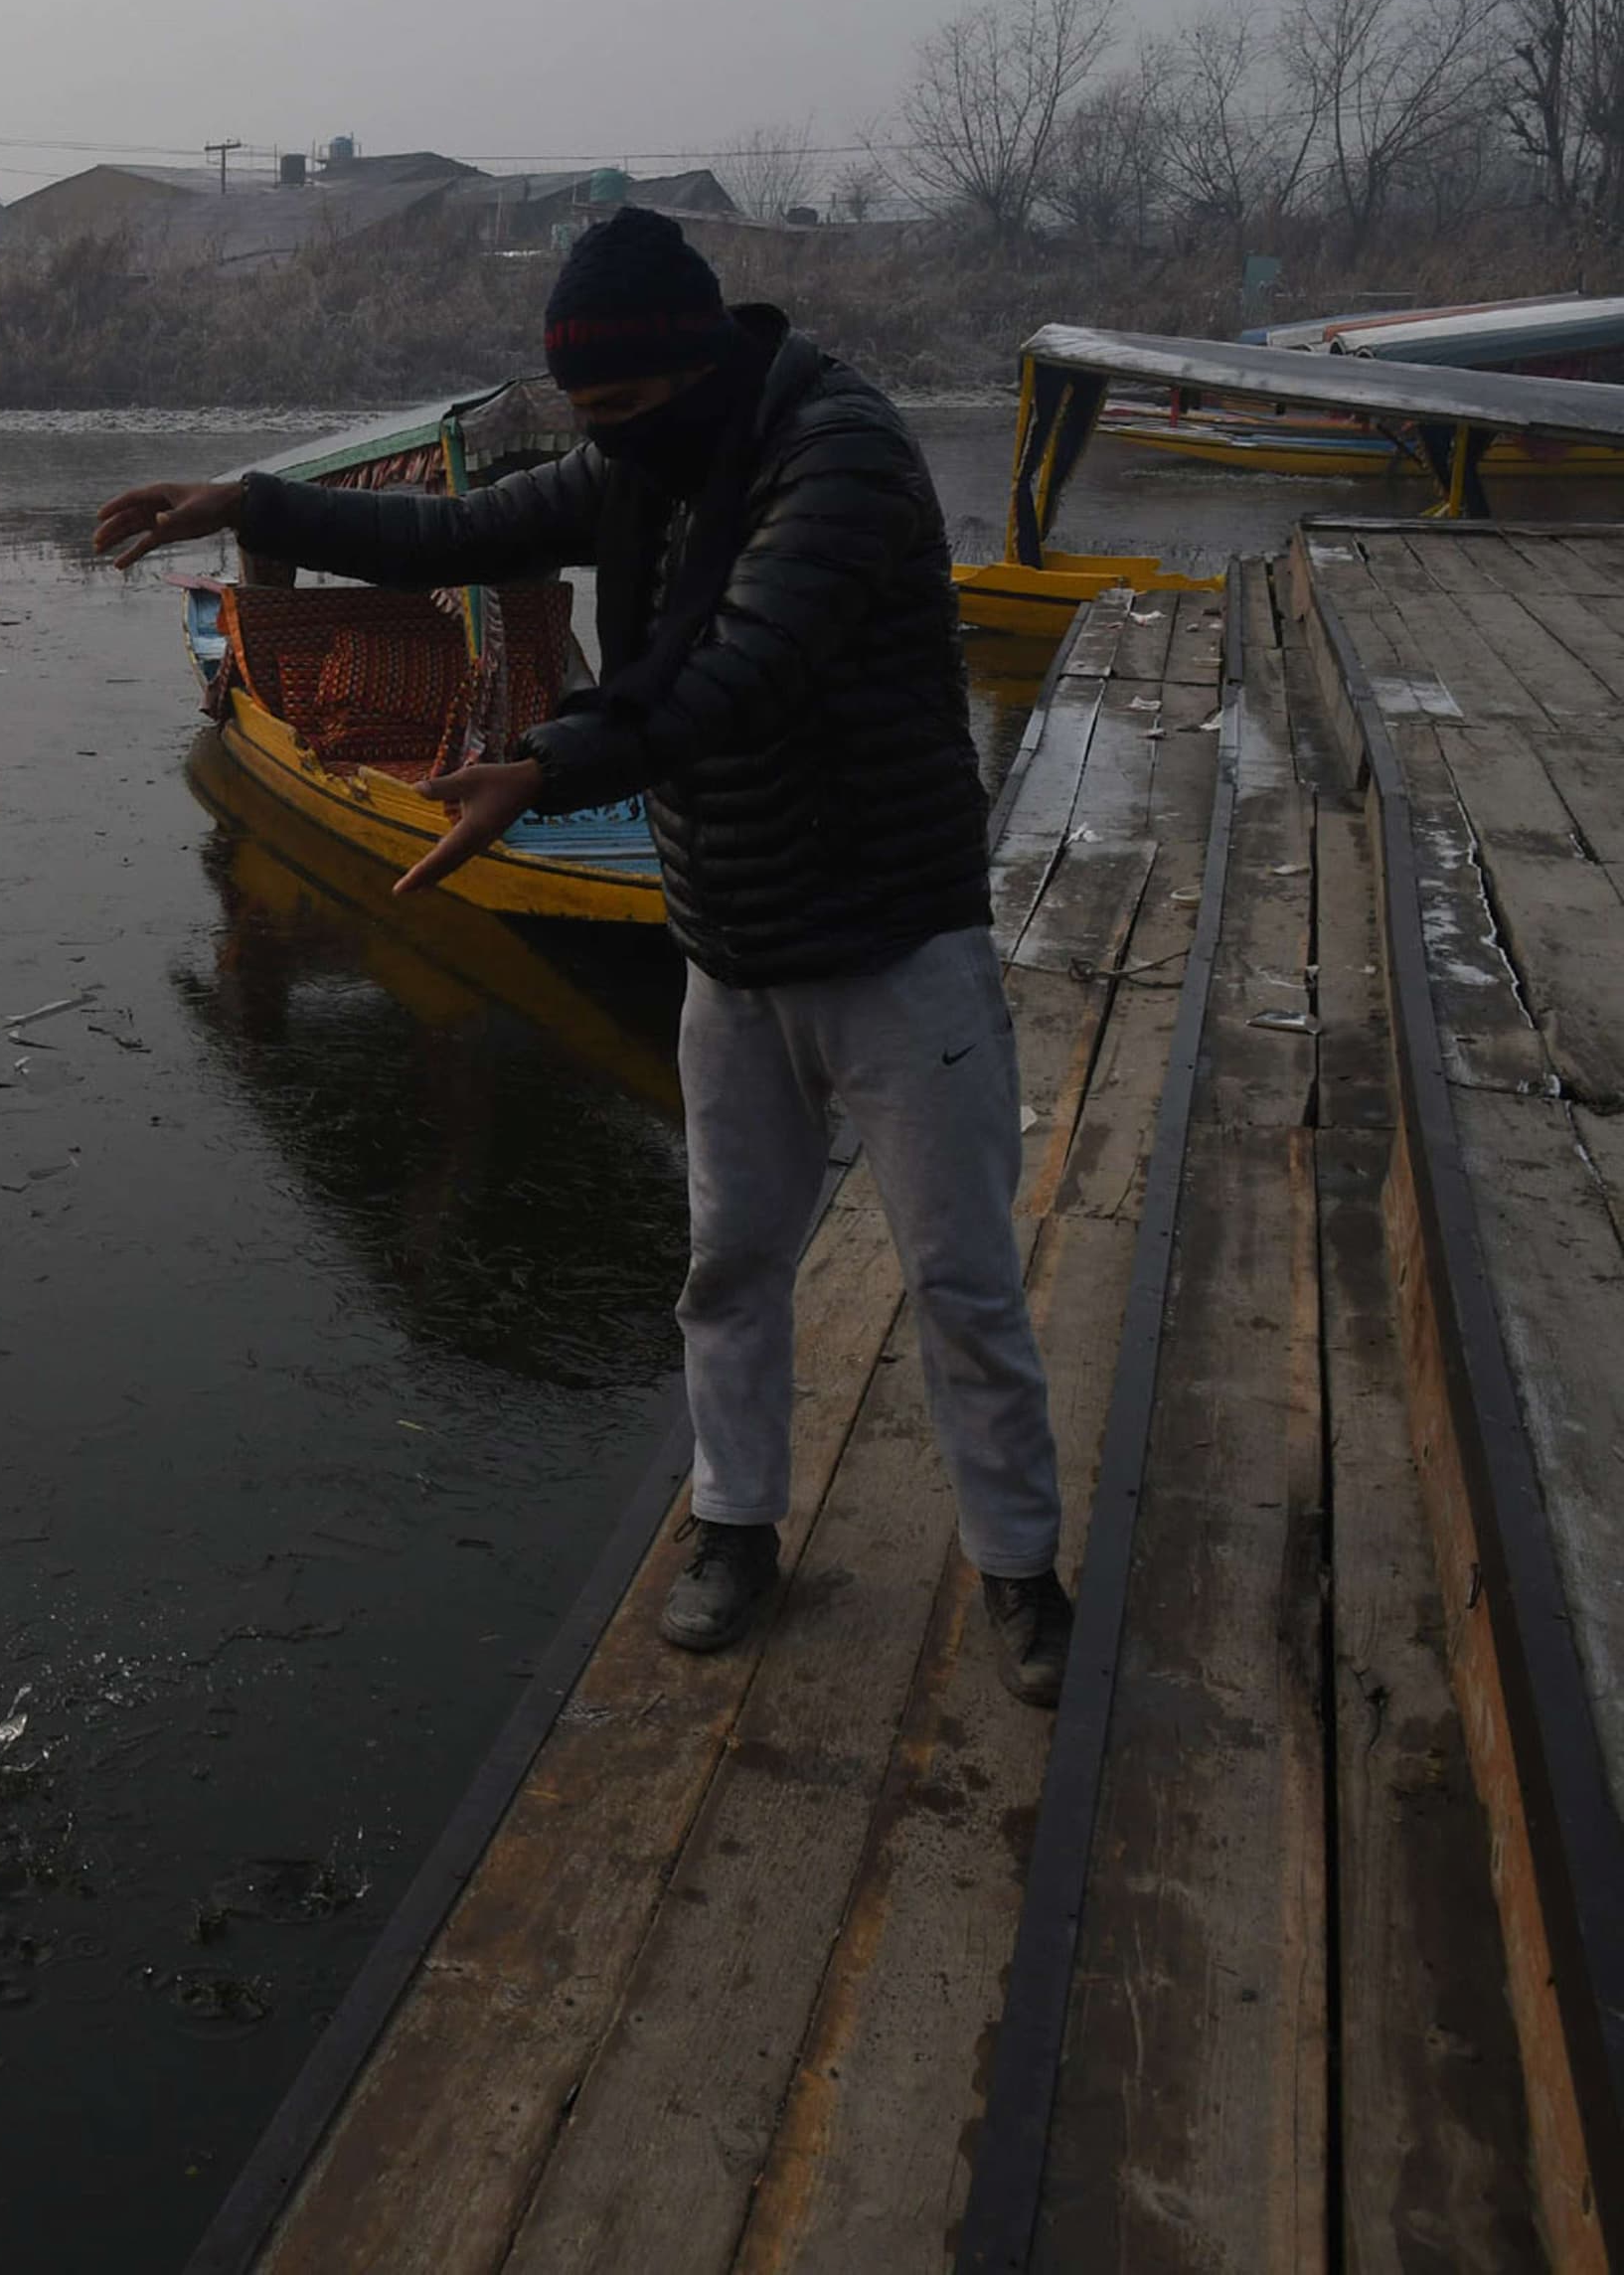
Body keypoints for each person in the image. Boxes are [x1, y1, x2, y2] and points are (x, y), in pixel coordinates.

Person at [89, 208, 1071, 1706]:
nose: (608, 446)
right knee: (728, 1264)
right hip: (730, 943)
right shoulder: (652, 451)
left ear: (691, 370)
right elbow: (455, 532)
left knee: (962, 1280)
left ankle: (1017, 1572)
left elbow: (743, 670)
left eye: (619, 414)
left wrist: (544, 770)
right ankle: (735, 1531)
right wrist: (254, 503)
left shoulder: (842, 458)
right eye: (591, 423)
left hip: (892, 944)